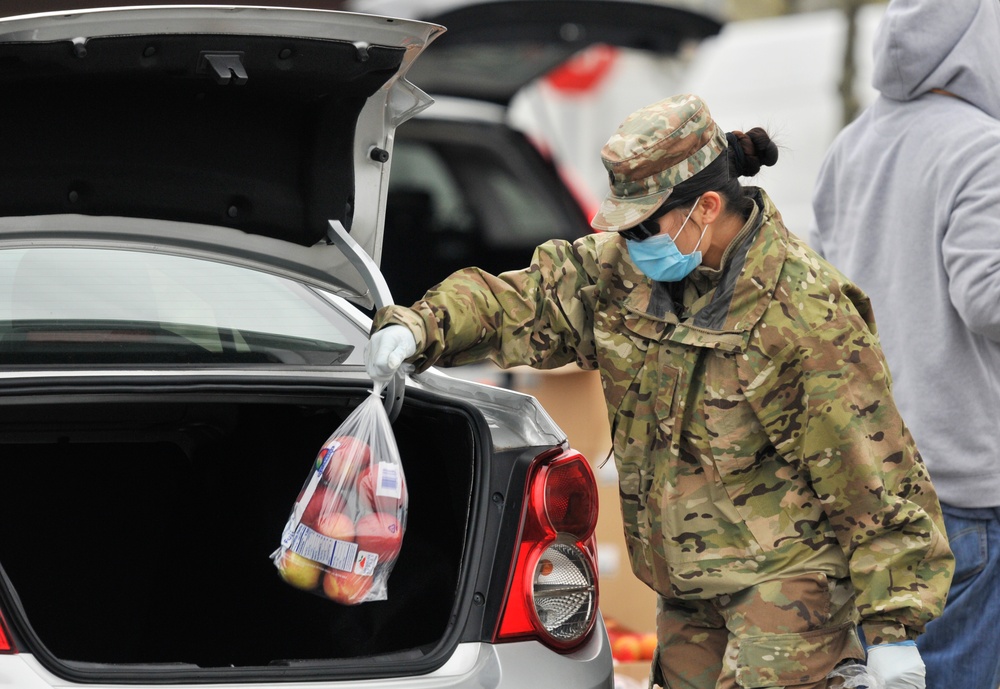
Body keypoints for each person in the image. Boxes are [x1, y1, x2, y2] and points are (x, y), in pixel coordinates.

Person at [368, 93, 953, 689]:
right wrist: (420, 326)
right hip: (686, 584)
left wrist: (892, 630)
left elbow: (872, 475)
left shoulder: (802, 315)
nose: (632, 238)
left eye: (646, 224)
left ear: (706, 205)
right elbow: (523, 301)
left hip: (787, 590)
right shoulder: (624, 272)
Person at [811, 0, 1000, 688]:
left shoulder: (852, 145)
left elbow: (822, 303)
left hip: (865, 475)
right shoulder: (982, 145)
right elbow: (988, 295)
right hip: (961, 483)